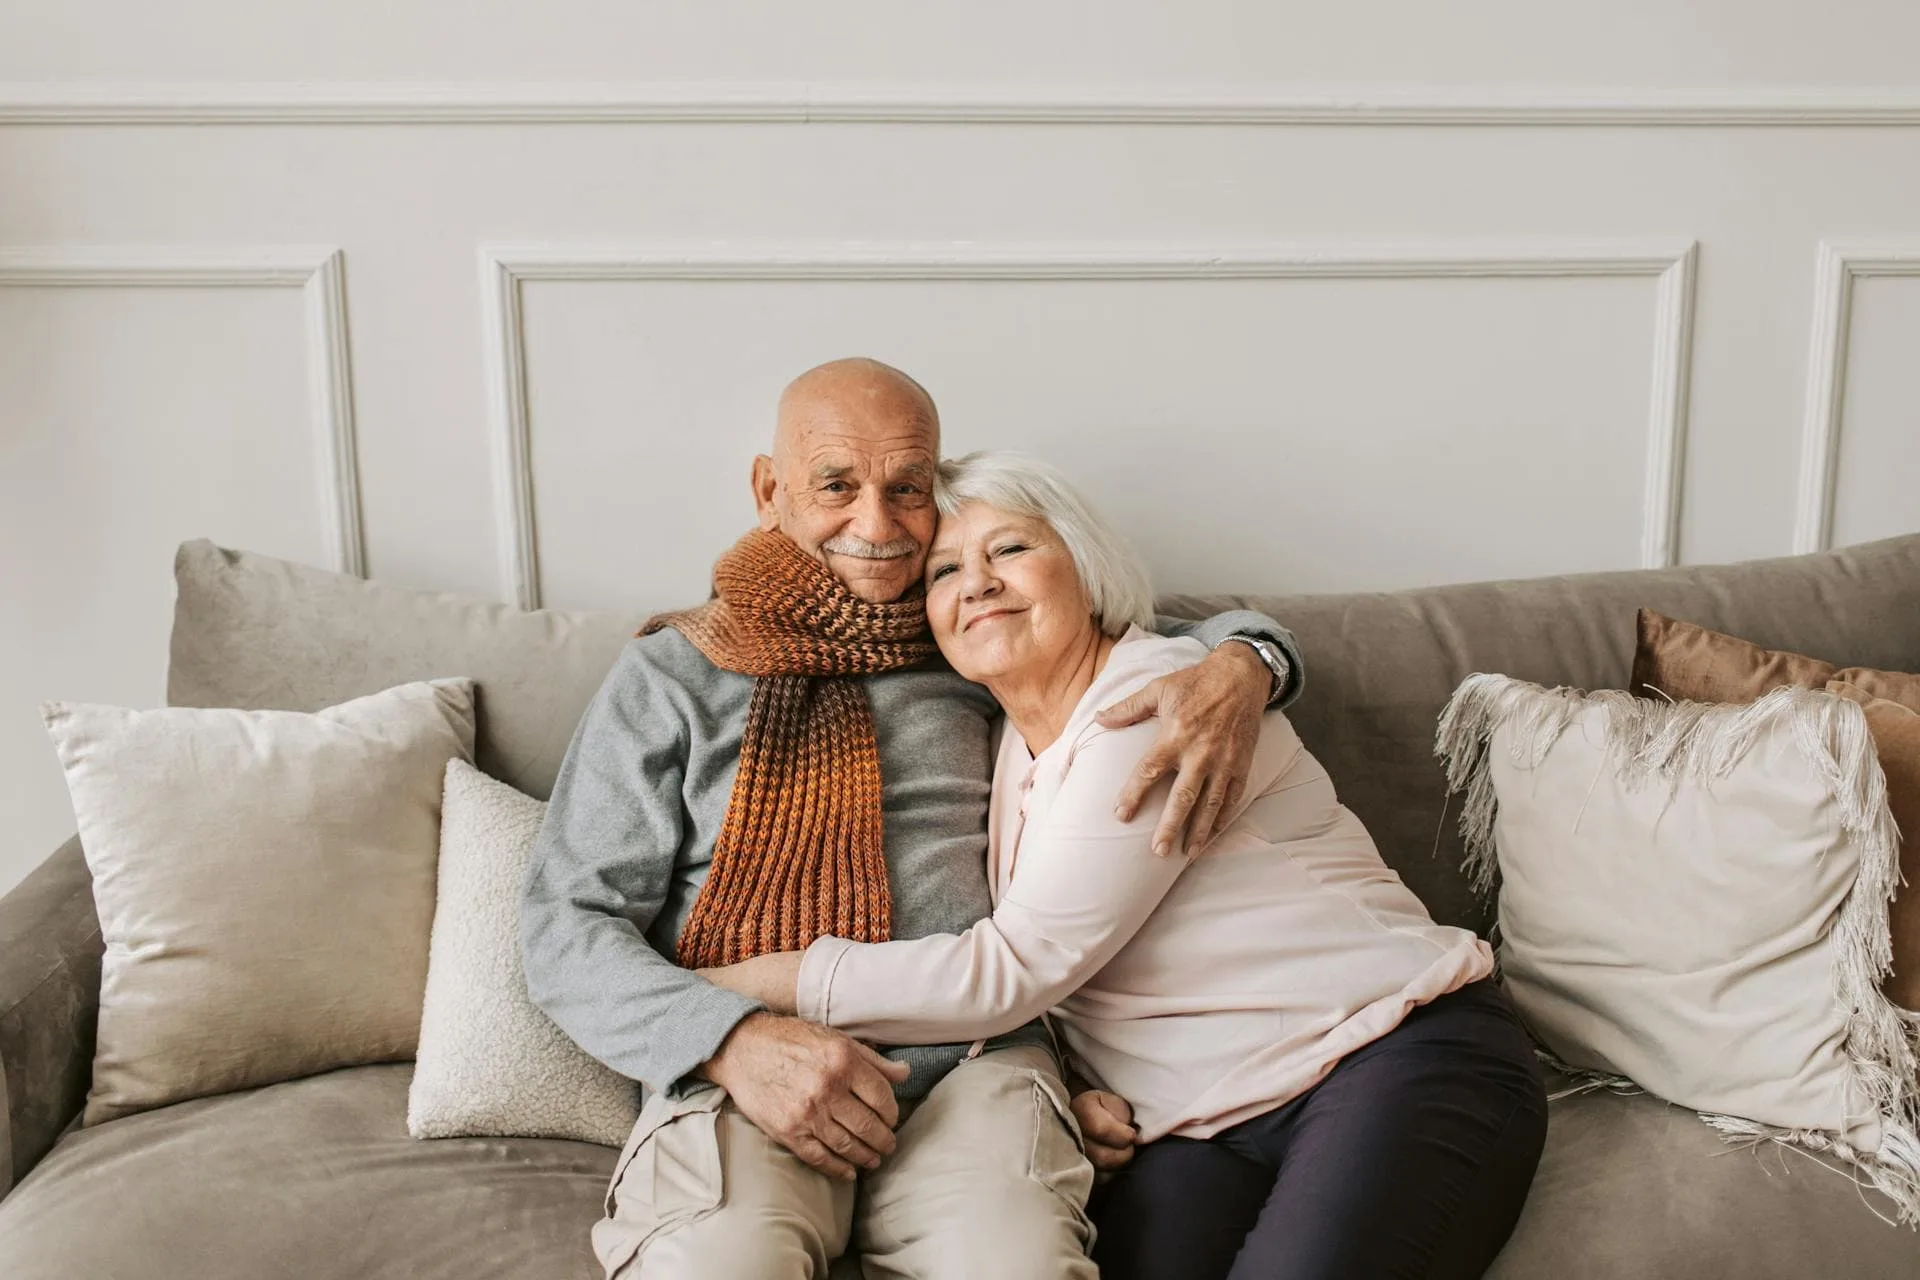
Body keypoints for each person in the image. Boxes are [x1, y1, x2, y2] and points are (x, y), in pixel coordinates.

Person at [520, 359, 1305, 1279]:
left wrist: (1252, 660)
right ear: (771, 491)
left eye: (907, 489)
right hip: (748, 1070)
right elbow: (563, 924)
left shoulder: (973, 631)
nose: (878, 525)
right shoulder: (674, 675)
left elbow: (1153, 631)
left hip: (975, 1063)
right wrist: (728, 1042)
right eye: (837, 487)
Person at [702, 450, 1550, 1280]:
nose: (978, 583)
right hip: (1202, 1125)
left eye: (1011, 549)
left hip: (1391, 1053)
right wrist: (1075, 1085)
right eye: (944, 571)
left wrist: (740, 987)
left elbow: (1015, 968)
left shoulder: (1160, 702)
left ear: (1088, 568)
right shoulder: (995, 745)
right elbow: (1081, 957)